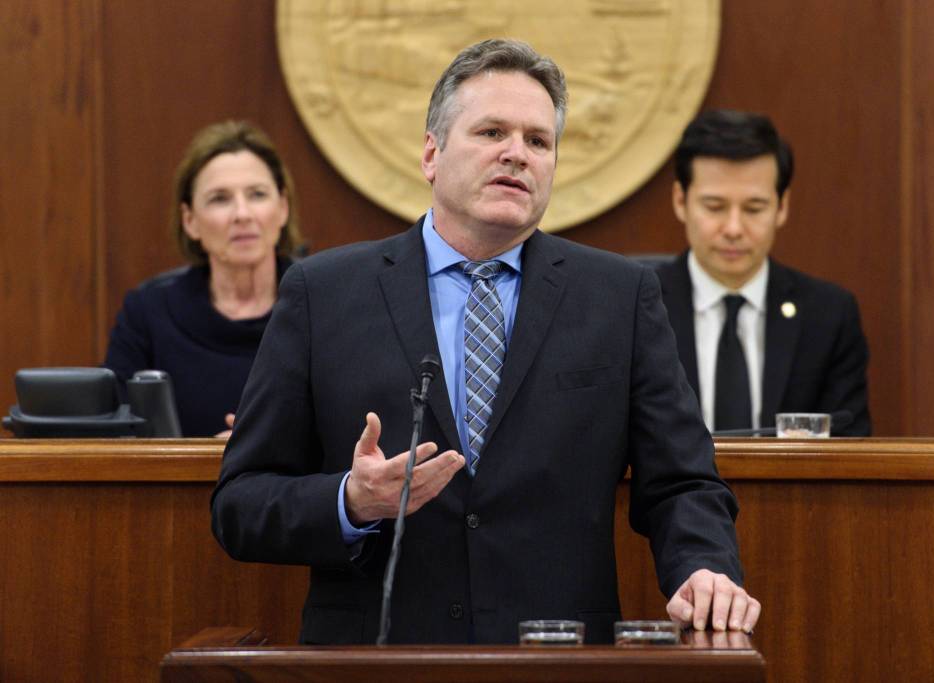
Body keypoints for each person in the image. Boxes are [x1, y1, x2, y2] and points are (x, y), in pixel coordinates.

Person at [211, 39, 759, 645]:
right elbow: (241, 503)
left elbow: (683, 481)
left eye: (538, 141)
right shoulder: (323, 293)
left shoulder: (619, 298)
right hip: (379, 656)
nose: (516, 154)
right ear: (431, 153)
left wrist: (703, 567)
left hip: (560, 654)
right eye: (492, 132)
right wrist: (352, 500)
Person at [654, 110, 871, 436]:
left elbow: (849, 446)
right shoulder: (638, 310)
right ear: (680, 201)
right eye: (714, 207)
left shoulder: (828, 316)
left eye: (754, 209)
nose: (733, 229)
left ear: (782, 206)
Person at [103, 121, 302, 437]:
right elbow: (113, 435)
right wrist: (203, 457)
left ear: (283, 208)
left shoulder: (324, 305)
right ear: (190, 221)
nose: (242, 214)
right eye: (220, 199)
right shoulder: (148, 313)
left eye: (257, 194)